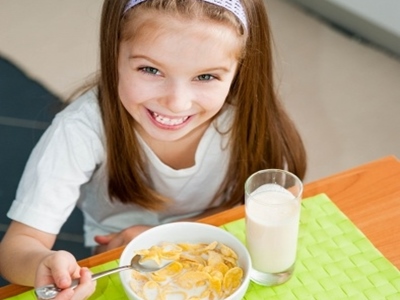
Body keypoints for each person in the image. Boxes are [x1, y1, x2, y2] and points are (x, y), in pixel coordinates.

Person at [0, 0, 307, 298]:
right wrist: (43, 265)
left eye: (205, 76)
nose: (176, 102)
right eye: (150, 70)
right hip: (119, 248)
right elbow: (18, 247)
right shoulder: (79, 130)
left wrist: (178, 237)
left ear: (240, 69)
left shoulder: (247, 117)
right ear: (114, 53)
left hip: (218, 236)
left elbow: (265, 201)